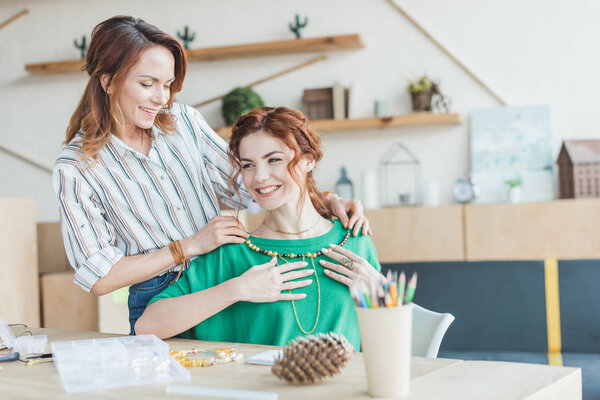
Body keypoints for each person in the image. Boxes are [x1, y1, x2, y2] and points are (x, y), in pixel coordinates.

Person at [53, 16, 370, 335]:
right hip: (158, 295)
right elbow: (99, 276)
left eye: (167, 84)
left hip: (224, 271)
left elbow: (253, 187)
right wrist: (189, 246)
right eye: (147, 84)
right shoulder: (77, 167)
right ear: (106, 81)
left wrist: (326, 199)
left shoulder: (183, 122)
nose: (161, 98)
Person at [135, 107, 384, 350]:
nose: (259, 177)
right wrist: (237, 289)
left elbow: (385, 342)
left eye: (273, 160)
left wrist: (383, 294)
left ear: (308, 161)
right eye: (248, 165)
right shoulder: (231, 252)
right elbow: (147, 326)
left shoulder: (355, 240)